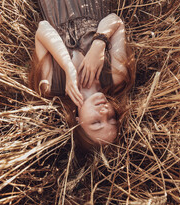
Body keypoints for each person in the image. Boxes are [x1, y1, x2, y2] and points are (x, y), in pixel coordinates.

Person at [28, 0, 135, 149]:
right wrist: (99, 44)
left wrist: (68, 67)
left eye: (96, 122)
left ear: (78, 122)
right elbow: (115, 20)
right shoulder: (115, 76)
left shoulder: (52, 86)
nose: (104, 112)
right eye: (111, 118)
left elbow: (43, 28)